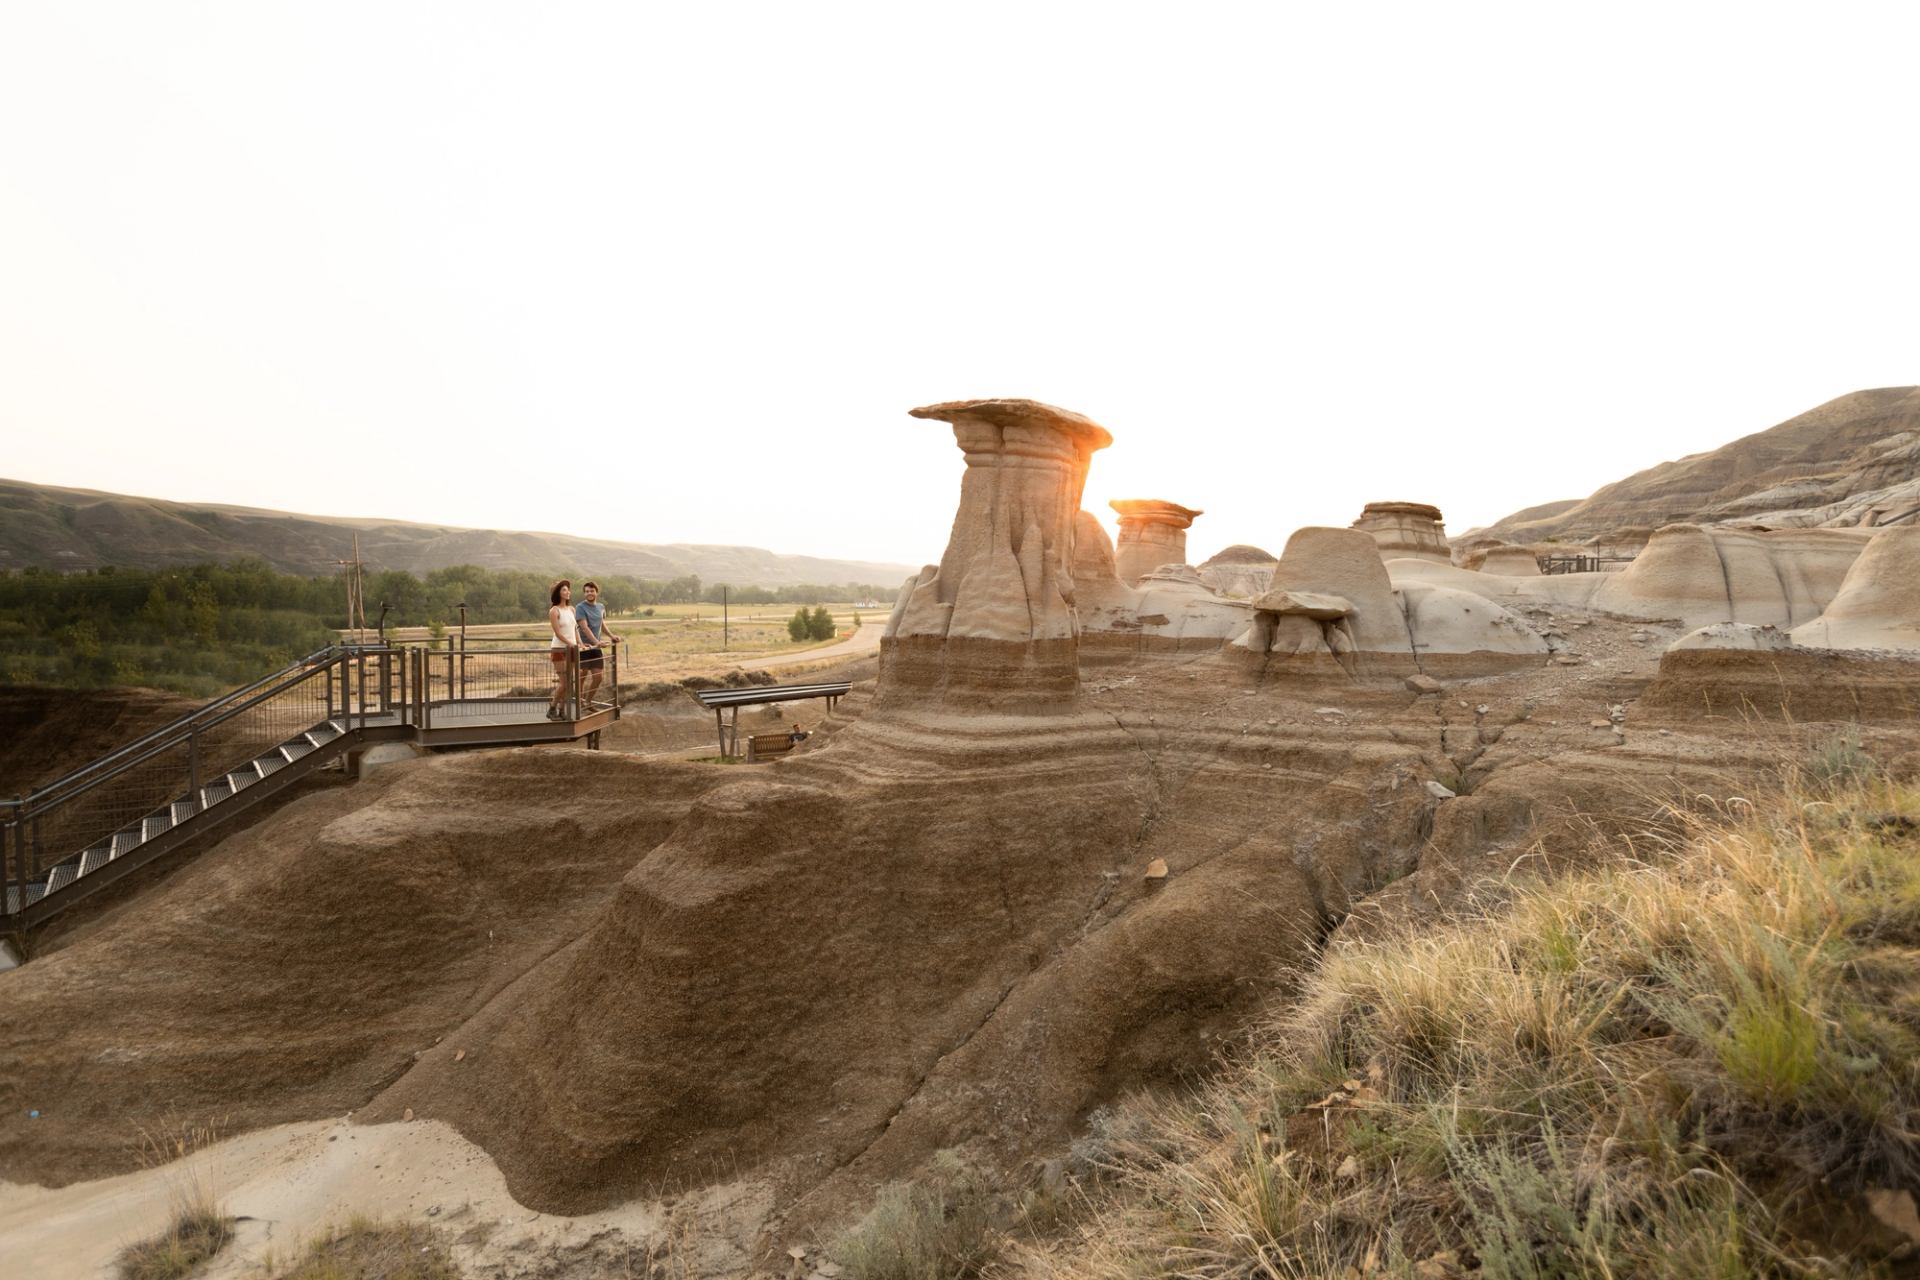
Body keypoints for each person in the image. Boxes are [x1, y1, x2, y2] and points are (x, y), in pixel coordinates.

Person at [574, 580, 618, 709]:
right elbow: (584, 627)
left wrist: (611, 636)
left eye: (592, 591)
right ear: (584, 594)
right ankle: (579, 703)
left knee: (598, 677)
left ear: (596, 592)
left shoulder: (601, 607)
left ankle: (588, 702)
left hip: (596, 648)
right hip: (584, 647)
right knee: (582, 677)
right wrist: (596, 642)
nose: (589, 593)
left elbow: (602, 625)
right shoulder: (580, 607)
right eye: (587, 591)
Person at [547, 579, 580, 720]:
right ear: (558, 593)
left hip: (572, 649)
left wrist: (580, 643)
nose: (568, 592)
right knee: (564, 682)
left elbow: (575, 629)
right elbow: (558, 633)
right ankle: (552, 708)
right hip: (559, 649)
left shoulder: (572, 609)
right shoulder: (554, 611)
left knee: (569, 682)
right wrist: (570, 643)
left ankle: (562, 711)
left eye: (568, 589)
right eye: (564, 590)